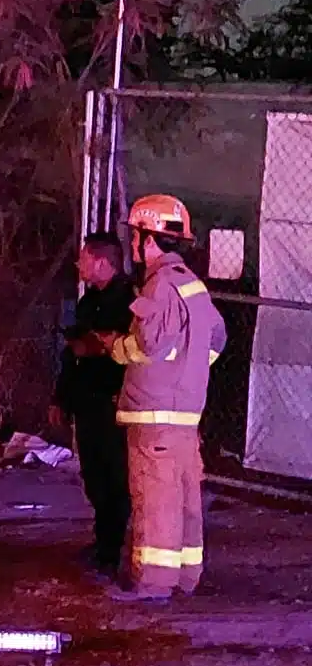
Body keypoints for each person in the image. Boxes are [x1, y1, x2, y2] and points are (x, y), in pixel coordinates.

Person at [95, 194, 227, 601]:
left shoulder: (160, 286)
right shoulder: (192, 285)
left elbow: (146, 344)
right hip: (186, 414)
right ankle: (186, 577)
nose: (133, 246)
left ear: (146, 239)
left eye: (135, 237)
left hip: (155, 414)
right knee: (185, 495)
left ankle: (153, 584)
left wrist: (115, 346)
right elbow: (216, 338)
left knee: (154, 498)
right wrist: (186, 369)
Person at [50, 233, 136, 574]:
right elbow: (71, 357)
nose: (78, 264)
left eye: (84, 258)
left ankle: (113, 548)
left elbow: (129, 351)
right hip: (87, 402)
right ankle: (103, 543)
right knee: (94, 475)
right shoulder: (88, 303)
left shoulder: (129, 303)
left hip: (111, 402)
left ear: (102, 262)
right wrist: (61, 399)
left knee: (115, 476)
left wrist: (96, 347)